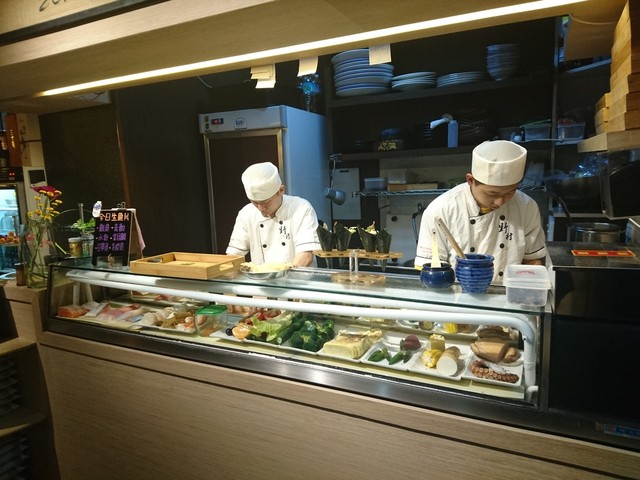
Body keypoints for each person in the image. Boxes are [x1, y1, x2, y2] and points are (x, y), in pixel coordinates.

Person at [415, 140, 546, 283]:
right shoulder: (441, 209)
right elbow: (433, 269)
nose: (500, 202)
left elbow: (532, 261)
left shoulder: (526, 207)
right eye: (492, 193)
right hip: (458, 293)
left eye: (510, 192)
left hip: (508, 292)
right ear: (470, 180)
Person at [226, 162, 320, 267]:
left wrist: (284, 275)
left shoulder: (301, 208)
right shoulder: (246, 213)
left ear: (281, 190)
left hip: (298, 276)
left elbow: (306, 256)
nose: (260, 208)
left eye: (265, 202)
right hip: (261, 277)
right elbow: (233, 256)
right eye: (255, 202)